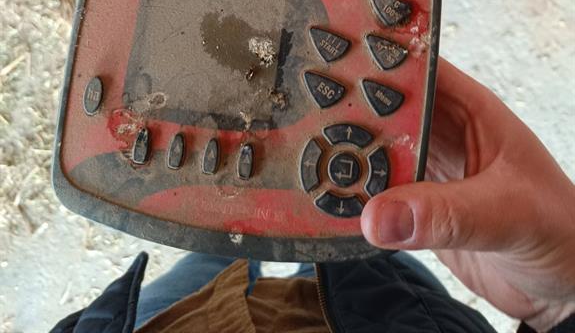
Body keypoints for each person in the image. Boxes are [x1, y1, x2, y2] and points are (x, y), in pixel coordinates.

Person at [50, 58, 575, 333]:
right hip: (399, 316)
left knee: (218, 243)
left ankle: (240, 235)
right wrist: (561, 307)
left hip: (162, 321)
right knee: (351, 245)